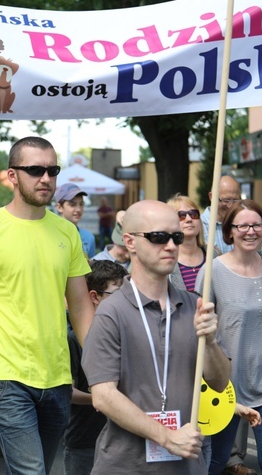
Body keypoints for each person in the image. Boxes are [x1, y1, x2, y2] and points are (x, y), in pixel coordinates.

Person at [0, 136, 95, 474]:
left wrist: (100, 369)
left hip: (58, 377)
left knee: (38, 471)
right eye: (35, 170)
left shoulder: (67, 232)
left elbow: (80, 308)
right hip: (7, 378)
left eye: (52, 170)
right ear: (12, 175)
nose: (45, 178)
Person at [81, 200, 231, 474]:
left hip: (186, 466)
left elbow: (220, 383)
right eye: (158, 237)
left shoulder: (193, 304)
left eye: (176, 237)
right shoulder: (110, 312)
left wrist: (209, 342)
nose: (172, 246)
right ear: (130, 242)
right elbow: (103, 396)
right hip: (126, 467)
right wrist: (166, 437)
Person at [195, 200, 262, 474]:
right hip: (224, 387)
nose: (250, 231)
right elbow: (197, 330)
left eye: (256, 225)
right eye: (242, 225)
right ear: (229, 231)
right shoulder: (212, 271)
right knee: (215, 463)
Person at [64, 260, 128, 475]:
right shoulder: (73, 339)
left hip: (124, 440)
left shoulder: (130, 333)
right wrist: (103, 398)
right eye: (117, 294)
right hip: (84, 441)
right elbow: (67, 392)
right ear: (95, 296)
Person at [166, 195, 211, 292]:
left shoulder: (214, 254)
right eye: (181, 216)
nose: (189, 219)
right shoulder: (165, 258)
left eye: (193, 214)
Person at [201, 175, 241, 255]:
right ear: (211, 197)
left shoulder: (242, 224)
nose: (231, 205)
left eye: (236, 200)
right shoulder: (199, 226)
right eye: (226, 200)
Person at [55, 183, 96, 259]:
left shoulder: (89, 238)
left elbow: (91, 268)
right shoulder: (49, 234)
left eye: (81, 204)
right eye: (72, 204)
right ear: (59, 207)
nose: (78, 209)